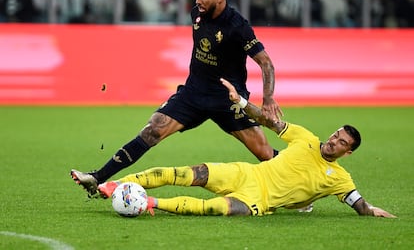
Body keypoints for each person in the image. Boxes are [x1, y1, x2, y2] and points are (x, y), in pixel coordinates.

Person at [71, 0, 283, 197]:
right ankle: (97, 177)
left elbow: (266, 63)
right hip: (192, 95)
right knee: (151, 131)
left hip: (227, 100)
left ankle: (301, 188)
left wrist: (268, 98)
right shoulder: (197, 15)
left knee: (264, 152)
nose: (198, 1)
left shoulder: (237, 26)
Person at [96, 78, 396, 218]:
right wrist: (240, 103)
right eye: (336, 134)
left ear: (348, 152)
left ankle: (150, 204)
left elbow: (359, 206)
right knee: (188, 173)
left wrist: (371, 210)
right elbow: (269, 122)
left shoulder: (339, 179)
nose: (333, 141)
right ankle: (115, 184)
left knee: (214, 209)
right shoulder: (304, 137)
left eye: (341, 142)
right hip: (247, 174)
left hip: (260, 201)